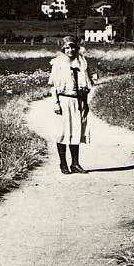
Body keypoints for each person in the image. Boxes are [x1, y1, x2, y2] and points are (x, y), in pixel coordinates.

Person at [49, 36, 94, 173]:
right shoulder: (58, 64)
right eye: (67, 48)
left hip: (78, 101)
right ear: (63, 49)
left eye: (73, 47)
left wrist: (85, 103)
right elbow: (53, 86)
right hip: (64, 100)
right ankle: (63, 164)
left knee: (76, 130)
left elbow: (87, 85)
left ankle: (75, 163)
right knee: (62, 132)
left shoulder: (82, 63)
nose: (70, 50)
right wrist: (56, 103)